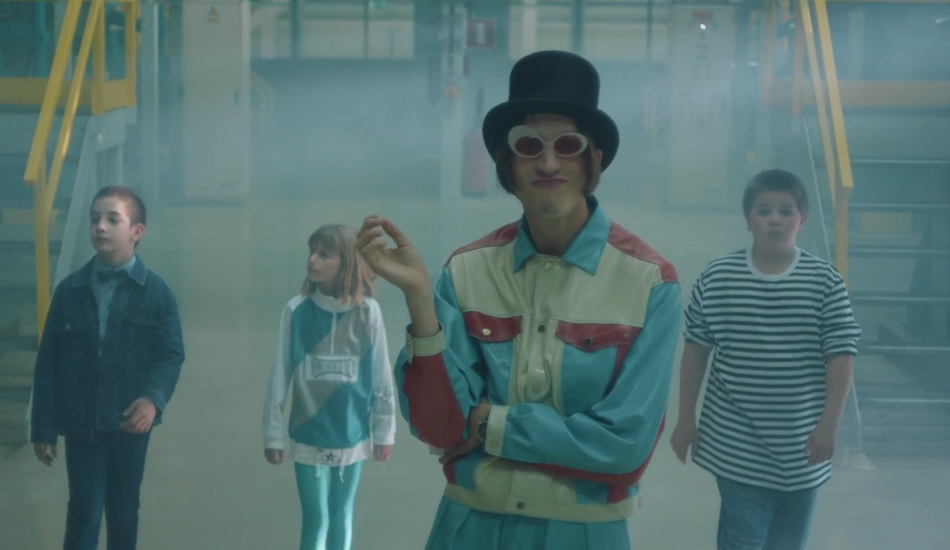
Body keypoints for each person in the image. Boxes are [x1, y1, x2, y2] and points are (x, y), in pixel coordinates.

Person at [356, 50, 682, 550]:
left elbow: (624, 447)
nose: (548, 163)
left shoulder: (649, 283)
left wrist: (489, 423)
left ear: (594, 159)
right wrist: (421, 302)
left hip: (583, 534)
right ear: (507, 163)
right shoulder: (466, 271)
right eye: (529, 145)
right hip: (468, 528)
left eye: (568, 145)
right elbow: (440, 428)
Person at [669, 169, 862, 550]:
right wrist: (686, 419)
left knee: (788, 543)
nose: (775, 219)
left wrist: (829, 425)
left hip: (803, 446)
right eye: (764, 211)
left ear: (802, 219)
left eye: (786, 211)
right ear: (748, 220)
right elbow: (696, 351)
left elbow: (840, 356)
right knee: (743, 540)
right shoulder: (719, 277)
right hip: (736, 446)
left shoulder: (824, 281)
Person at [30, 185, 185, 550]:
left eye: (112, 219)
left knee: (124, 510)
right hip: (82, 422)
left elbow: (170, 355)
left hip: (130, 423)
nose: (100, 226)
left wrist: (153, 400)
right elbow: (49, 362)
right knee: (84, 509)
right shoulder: (69, 290)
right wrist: (43, 427)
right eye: (95, 218)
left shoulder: (157, 293)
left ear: (137, 231)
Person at [262, 224, 396, 550]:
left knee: (340, 516)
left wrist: (384, 430)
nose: (313, 260)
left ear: (346, 262)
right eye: (312, 252)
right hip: (307, 434)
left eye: (324, 254)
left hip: (352, 435)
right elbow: (279, 376)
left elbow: (382, 375)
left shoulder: (368, 313)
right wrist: (273, 434)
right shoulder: (295, 311)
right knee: (315, 518)